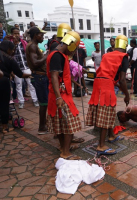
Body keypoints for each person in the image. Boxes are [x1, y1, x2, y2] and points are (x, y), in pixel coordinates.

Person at [86, 35, 130, 156]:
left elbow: (113, 79)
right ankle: (101, 146)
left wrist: (123, 91)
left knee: (106, 111)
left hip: (98, 82)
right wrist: (127, 95)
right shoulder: (124, 57)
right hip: (106, 85)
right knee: (106, 112)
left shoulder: (106, 54)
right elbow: (122, 80)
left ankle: (111, 136)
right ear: (125, 45)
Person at [47, 31, 82, 160]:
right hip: (60, 95)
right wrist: (58, 97)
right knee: (69, 125)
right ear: (71, 44)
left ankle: (64, 148)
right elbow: (55, 76)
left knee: (61, 124)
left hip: (58, 94)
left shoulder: (56, 53)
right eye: (75, 48)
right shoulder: (57, 56)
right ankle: (65, 153)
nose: (74, 52)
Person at [0, 41, 32, 133]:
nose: (13, 51)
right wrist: (30, 75)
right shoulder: (10, 59)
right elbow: (20, 74)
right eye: (12, 49)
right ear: (8, 49)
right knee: (4, 104)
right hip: (3, 82)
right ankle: (5, 126)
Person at [26, 27, 49, 135]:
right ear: (35, 35)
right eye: (41, 35)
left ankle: (44, 124)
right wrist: (46, 56)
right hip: (40, 77)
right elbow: (35, 63)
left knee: (45, 103)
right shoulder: (33, 46)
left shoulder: (33, 46)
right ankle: (42, 127)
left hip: (40, 77)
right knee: (44, 103)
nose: (42, 37)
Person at [10, 27, 39, 108]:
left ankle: (35, 99)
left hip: (27, 67)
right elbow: (10, 55)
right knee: (19, 85)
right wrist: (14, 45)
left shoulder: (24, 43)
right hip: (17, 69)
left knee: (31, 84)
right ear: (12, 34)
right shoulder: (11, 44)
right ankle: (21, 101)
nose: (16, 35)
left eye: (18, 33)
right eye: (15, 33)